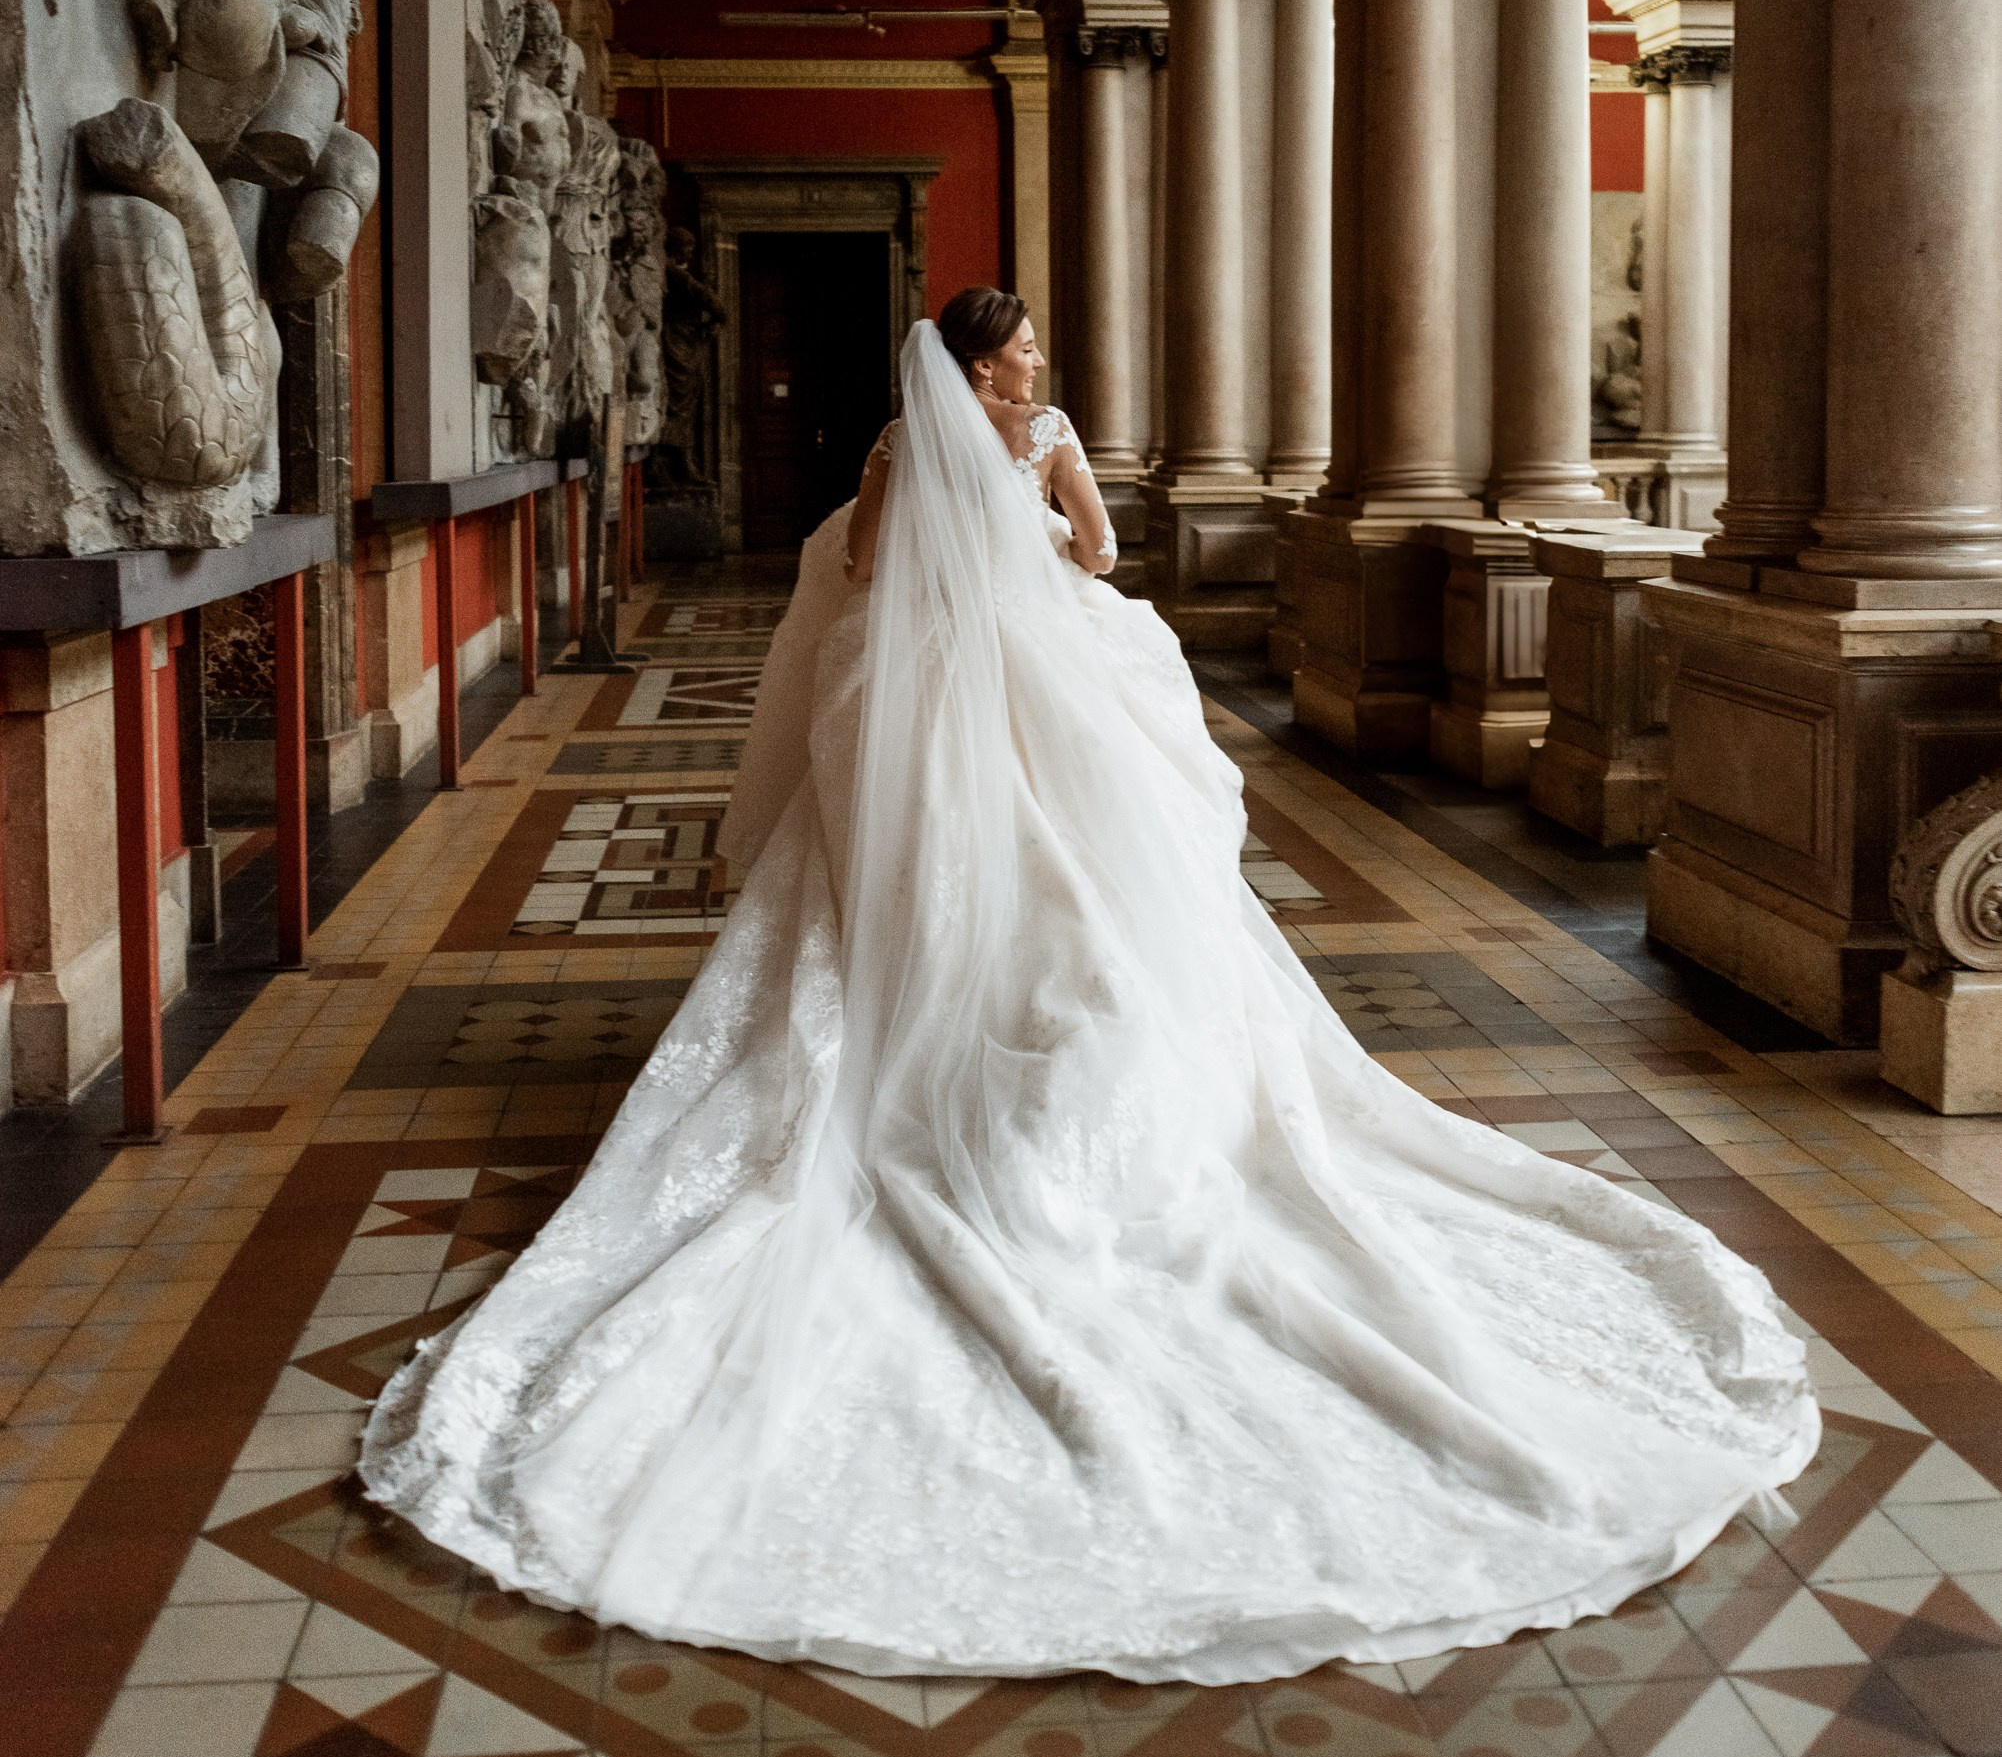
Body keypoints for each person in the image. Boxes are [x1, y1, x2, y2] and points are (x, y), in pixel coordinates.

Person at [360, 286, 1816, 1684]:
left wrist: (942, 540)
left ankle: (939, 1051)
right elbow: (1100, 562)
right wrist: (1031, 541)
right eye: (1022, 347)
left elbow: (863, 574)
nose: (1034, 360)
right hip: (1038, 686)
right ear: (988, 366)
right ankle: (1023, 1076)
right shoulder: (1048, 439)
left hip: (934, 699)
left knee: (950, 896)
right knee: (1083, 907)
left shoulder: (901, 446)